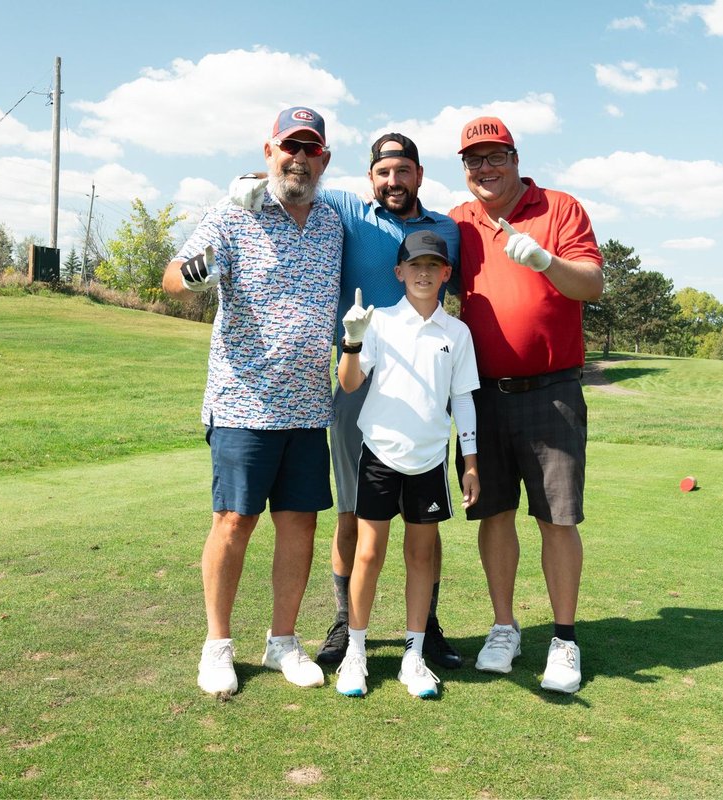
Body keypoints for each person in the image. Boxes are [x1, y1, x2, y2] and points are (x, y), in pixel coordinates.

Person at [230, 134, 464, 669]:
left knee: (423, 517)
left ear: (419, 174)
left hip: (424, 390)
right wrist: (246, 182)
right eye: (383, 173)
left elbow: (466, 293)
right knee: (354, 508)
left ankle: (426, 623)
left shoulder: (447, 230)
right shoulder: (345, 208)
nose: (393, 182)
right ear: (370, 177)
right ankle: (344, 619)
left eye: (402, 171)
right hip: (358, 379)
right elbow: (292, 178)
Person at [162, 106, 342, 696]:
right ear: (270, 152)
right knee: (234, 520)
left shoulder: (333, 222)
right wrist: (196, 272)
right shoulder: (232, 212)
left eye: (311, 149)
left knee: (300, 523)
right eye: (290, 147)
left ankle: (282, 641)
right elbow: (173, 279)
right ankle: (217, 645)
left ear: (324, 160)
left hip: (309, 407)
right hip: (243, 403)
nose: (300, 158)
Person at [449, 116, 605, 694]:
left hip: (551, 392)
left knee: (556, 517)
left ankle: (563, 639)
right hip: (481, 395)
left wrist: (545, 261)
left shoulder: (559, 208)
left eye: (496, 156)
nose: (485, 168)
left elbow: (591, 284)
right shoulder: (457, 222)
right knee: (493, 513)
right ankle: (503, 627)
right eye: (474, 160)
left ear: (516, 159)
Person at [332, 231, 480, 699]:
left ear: (446, 273)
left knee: (421, 557)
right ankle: (356, 652)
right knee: (368, 554)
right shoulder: (378, 322)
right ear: (399, 272)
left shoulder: (457, 333)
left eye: (433, 265)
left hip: (430, 459)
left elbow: (463, 399)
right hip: (380, 453)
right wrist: (352, 342)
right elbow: (349, 384)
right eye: (415, 265)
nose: (423, 273)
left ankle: (413, 656)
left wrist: (470, 462)